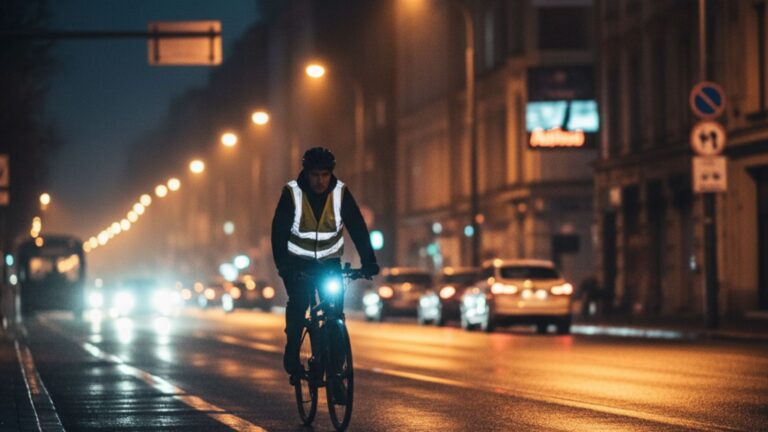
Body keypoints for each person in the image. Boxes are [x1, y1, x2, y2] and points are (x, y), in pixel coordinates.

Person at [271, 147, 379, 380]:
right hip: (298, 264)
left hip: (329, 263)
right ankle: (292, 351)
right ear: (306, 173)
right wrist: (284, 266)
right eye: (314, 175)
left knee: (335, 312)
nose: (320, 180)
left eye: (324, 175)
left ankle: (335, 370)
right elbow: (278, 233)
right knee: (299, 304)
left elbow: (357, 227)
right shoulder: (292, 193)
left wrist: (369, 261)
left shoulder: (340, 193)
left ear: (331, 174)